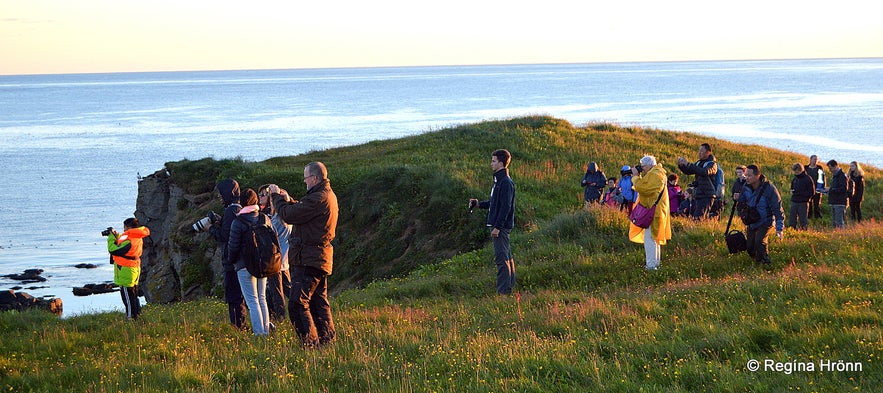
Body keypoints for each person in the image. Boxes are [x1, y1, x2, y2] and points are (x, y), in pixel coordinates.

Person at [270, 162, 339, 347]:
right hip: (318, 257)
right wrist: (289, 200)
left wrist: (276, 197)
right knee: (318, 302)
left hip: (309, 258)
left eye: (306, 178)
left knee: (297, 304)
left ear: (315, 178)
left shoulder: (318, 197)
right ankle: (327, 342)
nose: (304, 181)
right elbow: (301, 212)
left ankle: (310, 344)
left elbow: (289, 215)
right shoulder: (325, 196)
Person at [469, 149, 516, 295]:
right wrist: (479, 204)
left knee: (502, 259)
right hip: (498, 226)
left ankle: (504, 292)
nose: (491, 164)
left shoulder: (505, 182)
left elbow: (505, 207)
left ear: (501, 163)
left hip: (500, 228)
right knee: (506, 257)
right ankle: (509, 287)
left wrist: (497, 227)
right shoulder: (499, 181)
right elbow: (495, 203)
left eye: (493, 161)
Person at [227, 189, 272, 336]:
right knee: (262, 298)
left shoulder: (238, 221)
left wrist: (231, 261)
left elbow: (233, 246)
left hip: (244, 265)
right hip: (263, 263)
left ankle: (260, 334)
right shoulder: (264, 218)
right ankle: (266, 330)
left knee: (252, 301)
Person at [209, 179, 248, 330]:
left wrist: (210, 228)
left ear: (228, 192)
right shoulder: (239, 209)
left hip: (232, 262)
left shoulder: (231, 211)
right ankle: (241, 325)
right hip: (239, 261)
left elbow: (224, 236)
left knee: (234, 297)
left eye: (220, 193)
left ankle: (238, 326)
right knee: (241, 296)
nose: (219, 196)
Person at [628, 155, 671, 271]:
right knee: (654, 239)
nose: (642, 169)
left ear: (649, 165)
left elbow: (644, 189)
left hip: (653, 212)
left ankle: (651, 266)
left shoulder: (656, 175)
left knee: (650, 240)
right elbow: (646, 187)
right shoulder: (656, 173)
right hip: (656, 211)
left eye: (643, 167)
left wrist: (636, 177)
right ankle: (655, 264)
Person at [737, 165, 785, 264]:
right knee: (750, 246)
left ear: (758, 176)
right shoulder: (745, 187)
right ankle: (756, 262)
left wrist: (779, 229)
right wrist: (737, 199)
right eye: (746, 175)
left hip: (766, 221)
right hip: (752, 221)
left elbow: (778, 209)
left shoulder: (769, 189)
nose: (747, 178)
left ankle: (765, 263)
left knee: (759, 242)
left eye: (749, 176)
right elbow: (741, 203)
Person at [259, 184, 293, 324]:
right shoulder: (274, 214)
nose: (259, 197)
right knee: (289, 289)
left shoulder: (279, 215)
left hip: (277, 259)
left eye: (263, 194)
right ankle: (304, 308)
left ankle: (280, 319)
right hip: (283, 260)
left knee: (277, 292)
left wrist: (278, 195)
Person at [106, 218, 150, 320]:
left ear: (129, 227)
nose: (124, 230)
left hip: (126, 269)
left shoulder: (130, 239)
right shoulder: (136, 236)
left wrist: (110, 238)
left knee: (127, 297)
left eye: (125, 227)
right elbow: (123, 241)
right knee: (133, 294)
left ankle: (130, 318)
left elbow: (114, 250)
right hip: (133, 268)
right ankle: (137, 315)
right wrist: (116, 235)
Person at [676, 143, 718, 220]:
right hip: (699, 194)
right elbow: (689, 171)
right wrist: (682, 165)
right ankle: (698, 230)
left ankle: (699, 230)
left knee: (699, 217)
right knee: (697, 216)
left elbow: (704, 172)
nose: (699, 153)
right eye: (699, 151)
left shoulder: (712, 164)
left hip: (707, 195)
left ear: (708, 152)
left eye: (701, 151)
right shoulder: (699, 162)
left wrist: (688, 164)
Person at [788, 163, 815, 230]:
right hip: (794, 201)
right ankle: (792, 231)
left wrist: (799, 193)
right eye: (795, 172)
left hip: (803, 202)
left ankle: (804, 231)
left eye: (797, 172)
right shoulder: (795, 179)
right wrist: (792, 192)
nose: (796, 173)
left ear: (801, 170)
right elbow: (792, 188)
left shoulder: (807, 179)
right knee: (792, 219)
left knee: (803, 220)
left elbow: (812, 192)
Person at [824, 160, 849, 229]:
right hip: (834, 201)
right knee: (835, 222)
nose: (830, 170)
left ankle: (841, 236)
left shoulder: (841, 176)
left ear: (835, 166)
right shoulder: (835, 176)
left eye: (830, 168)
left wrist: (830, 189)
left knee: (839, 222)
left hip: (840, 202)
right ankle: (836, 236)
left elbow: (843, 189)